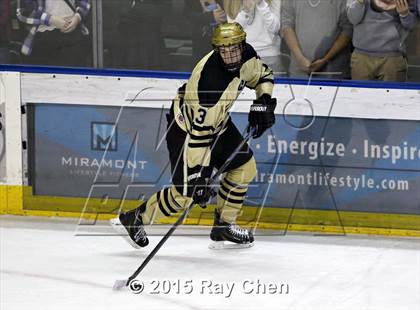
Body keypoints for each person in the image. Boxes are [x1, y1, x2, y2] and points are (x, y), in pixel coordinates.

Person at [111, 22, 276, 249]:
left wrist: (264, 101)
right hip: (187, 132)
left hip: (217, 124)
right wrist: (198, 178)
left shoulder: (247, 54)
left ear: (242, 44)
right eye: (224, 51)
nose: (229, 56)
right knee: (186, 194)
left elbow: (263, 75)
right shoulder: (208, 87)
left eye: (234, 49)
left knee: (244, 168)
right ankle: (135, 219)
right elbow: (199, 139)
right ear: (218, 50)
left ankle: (223, 228)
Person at [347, 0, 418, 82]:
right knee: (360, 94)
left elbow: (412, 25)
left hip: (392, 58)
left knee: (393, 94)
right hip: (361, 58)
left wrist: (404, 14)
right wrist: (359, 3)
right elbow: (352, 19)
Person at [280, 0, 353, 79]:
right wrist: (300, 59)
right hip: (300, 73)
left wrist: (325, 59)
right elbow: (286, 25)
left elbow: (348, 30)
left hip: (334, 73)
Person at [16, 0, 90, 67]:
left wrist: (78, 17)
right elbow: (22, 12)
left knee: (71, 78)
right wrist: (50, 19)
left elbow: (84, 2)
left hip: (72, 36)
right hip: (42, 39)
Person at [223, 0, 283, 74]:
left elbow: (275, 28)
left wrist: (261, 4)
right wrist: (245, 11)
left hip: (270, 56)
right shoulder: (232, 2)